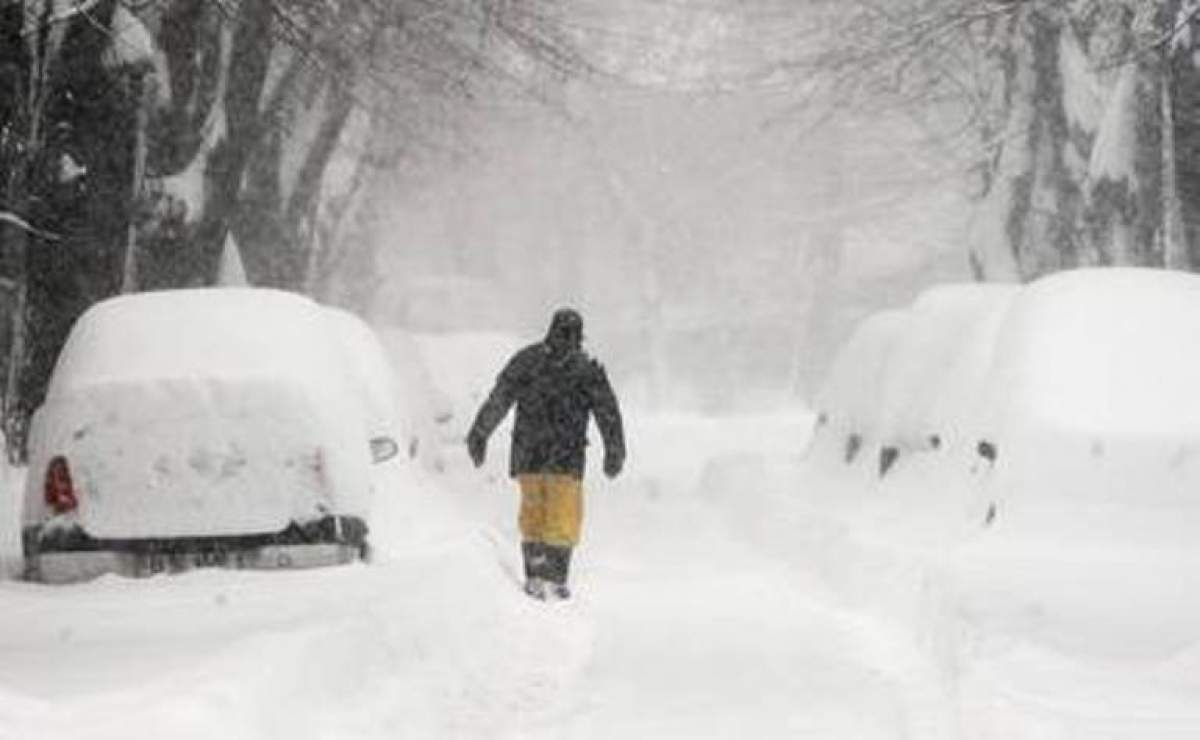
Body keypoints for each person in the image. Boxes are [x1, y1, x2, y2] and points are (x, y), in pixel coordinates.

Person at [467, 308, 625, 600]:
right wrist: (614, 451)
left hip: (530, 456)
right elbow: (608, 415)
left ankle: (535, 572)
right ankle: (553, 575)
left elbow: (499, 399)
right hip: (565, 460)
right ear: (580, 337)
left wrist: (480, 433)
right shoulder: (585, 369)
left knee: (534, 515)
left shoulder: (527, 362)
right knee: (562, 518)